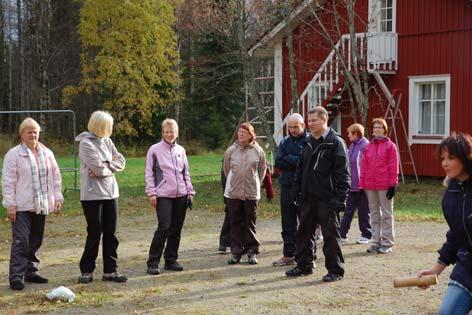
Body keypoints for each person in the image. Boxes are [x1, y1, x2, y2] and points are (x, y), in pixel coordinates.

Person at [286, 107, 350, 282]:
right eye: (309, 121)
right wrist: (296, 190)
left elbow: (342, 174)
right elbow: (300, 169)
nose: (310, 124)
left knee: (330, 236)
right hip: (307, 198)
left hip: (327, 199)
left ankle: (335, 271)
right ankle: (304, 265)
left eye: (314, 120)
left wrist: (340, 199)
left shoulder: (335, 143)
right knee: (303, 233)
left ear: (325, 120)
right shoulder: (308, 143)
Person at [2, 117, 63, 291]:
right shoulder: (13, 154)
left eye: (35, 131)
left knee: (36, 240)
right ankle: (16, 277)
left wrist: (57, 198)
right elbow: (8, 181)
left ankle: (31, 272)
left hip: (41, 204)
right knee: (21, 241)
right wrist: (10, 205)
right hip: (21, 206)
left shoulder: (47, 153)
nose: (33, 134)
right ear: (21, 134)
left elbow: (56, 178)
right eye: (29, 132)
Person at [418, 133, 472, 314]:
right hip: (467, 268)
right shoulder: (451, 194)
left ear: (466, 156)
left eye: (451, 157)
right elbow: (456, 236)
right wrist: (436, 270)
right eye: (442, 158)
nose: (445, 163)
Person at [76, 111, 127, 283]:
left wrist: (107, 165)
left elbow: (121, 161)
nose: (111, 129)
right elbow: (98, 169)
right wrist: (106, 167)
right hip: (92, 196)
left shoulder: (108, 141)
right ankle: (87, 270)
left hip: (111, 193)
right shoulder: (85, 144)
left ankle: (110, 271)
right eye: (109, 126)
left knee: (111, 234)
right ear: (101, 126)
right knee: (95, 232)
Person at [145, 118, 195, 275]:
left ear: (177, 132)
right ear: (162, 132)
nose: (169, 134)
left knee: (176, 229)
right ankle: (153, 262)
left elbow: (185, 172)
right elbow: (149, 173)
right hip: (163, 195)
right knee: (164, 227)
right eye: (166, 131)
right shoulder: (154, 150)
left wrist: (190, 192)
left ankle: (171, 260)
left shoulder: (181, 150)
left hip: (181, 194)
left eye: (172, 131)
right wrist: (151, 193)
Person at [223, 123, 266, 265]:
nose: (241, 134)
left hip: (251, 193)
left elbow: (262, 170)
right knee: (235, 223)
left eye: (244, 132)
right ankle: (236, 253)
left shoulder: (258, 151)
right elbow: (226, 170)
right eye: (239, 132)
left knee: (250, 223)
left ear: (250, 135)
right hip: (234, 193)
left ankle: (252, 252)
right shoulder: (230, 151)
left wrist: (256, 183)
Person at [273, 113, 310, 267]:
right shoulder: (284, 142)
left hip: (304, 187)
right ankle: (288, 255)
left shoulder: (309, 141)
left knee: (305, 223)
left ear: (303, 126)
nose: (293, 130)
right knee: (287, 223)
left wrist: (290, 159)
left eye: (296, 127)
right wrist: (295, 160)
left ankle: (305, 256)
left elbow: (305, 161)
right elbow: (278, 160)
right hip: (287, 186)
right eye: (290, 127)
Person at [359, 118, 398, 254]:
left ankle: (387, 242)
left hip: (385, 184)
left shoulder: (390, 146)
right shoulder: (368, 147)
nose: (377, 129)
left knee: (386, 214)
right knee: (374, 214)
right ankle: (375, 241)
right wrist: (361, 184)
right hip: (370, 185)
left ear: (385, 129)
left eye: (380, 127)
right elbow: (363, 167)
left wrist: (393, 184)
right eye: (375, 127)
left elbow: (394, 166)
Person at [340, 123, 372, 244]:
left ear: (356, 134)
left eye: (349, 134)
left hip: (363, 186)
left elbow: (368, 166)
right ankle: (342, 235)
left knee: (364, 211)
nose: (348, 136)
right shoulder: (352, 146)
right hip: (352, 185)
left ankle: (366, 235)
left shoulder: (366, 146)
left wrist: (365, 183)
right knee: (348, 210)